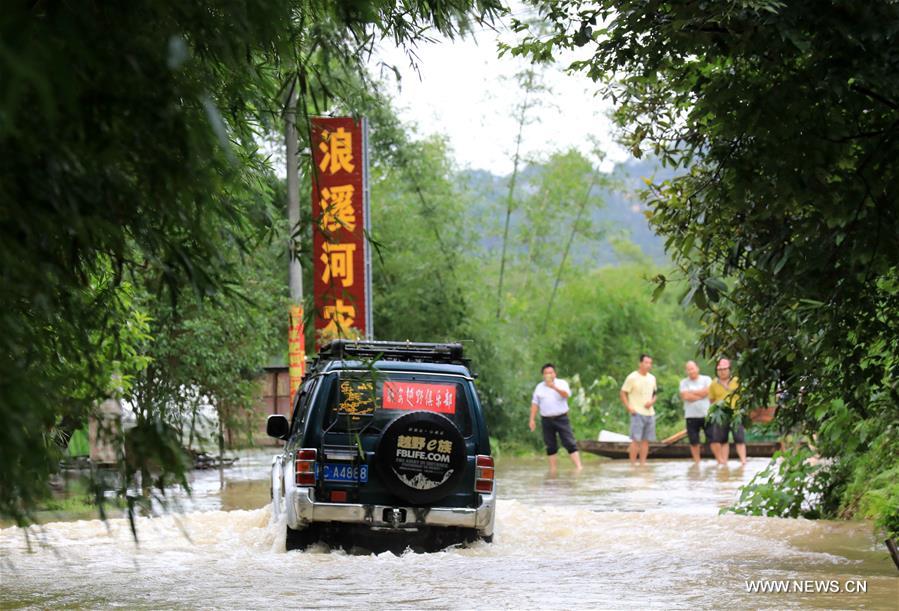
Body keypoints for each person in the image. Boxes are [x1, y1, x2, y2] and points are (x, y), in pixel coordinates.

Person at [529, 363, 584, 473]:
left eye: (551, 372)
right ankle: (553, 470)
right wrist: (532, 419)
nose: (549, 375)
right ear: (543, 375)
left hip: (561, 418)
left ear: (555, 374)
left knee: (569, 442)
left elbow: (566, 395)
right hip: (546, 419)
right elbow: (535, 403)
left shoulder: (562, 383)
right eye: (546, 373)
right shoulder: (539, 387)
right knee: (550, 445)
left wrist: (553, 387)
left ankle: (579, 467)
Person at [619, 354, 657, 465]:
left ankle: (643, 464)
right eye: (646, 363)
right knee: (636, 440)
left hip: (650, 413)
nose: (648, 365)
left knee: (646, 441)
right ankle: (632, 464)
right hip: (637, 412)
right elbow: (623, 393)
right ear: (640, 363)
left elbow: (655, 394)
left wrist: (652, 402)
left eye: (650, 363)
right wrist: (629, 407)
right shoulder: (632, 377)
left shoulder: (652, 378)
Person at [708, 358, 746, 465]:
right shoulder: (713, 384)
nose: (722, 371)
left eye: (725, 369)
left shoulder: (737, 381)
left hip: (735, 413)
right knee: (722, 440)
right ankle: (724, 463)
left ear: (729, 369)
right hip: (721, 415)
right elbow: (711, 400)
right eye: (720, 369)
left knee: (739, 438)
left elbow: (744, 397)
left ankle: (743, 461)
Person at [679, 361, 712, 464]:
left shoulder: (706, 379)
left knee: (712, 438)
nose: (691, 371)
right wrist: (701, 395)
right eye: (688, 369)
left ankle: (715, 461)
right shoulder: (684, 382)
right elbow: (685, 396)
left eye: (692, 368)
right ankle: (697, 462)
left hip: (706, 414)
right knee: (693, 441)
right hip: (691, 415)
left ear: (697, 368)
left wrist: (692, 393)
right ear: (686, 371)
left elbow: (708, 392)